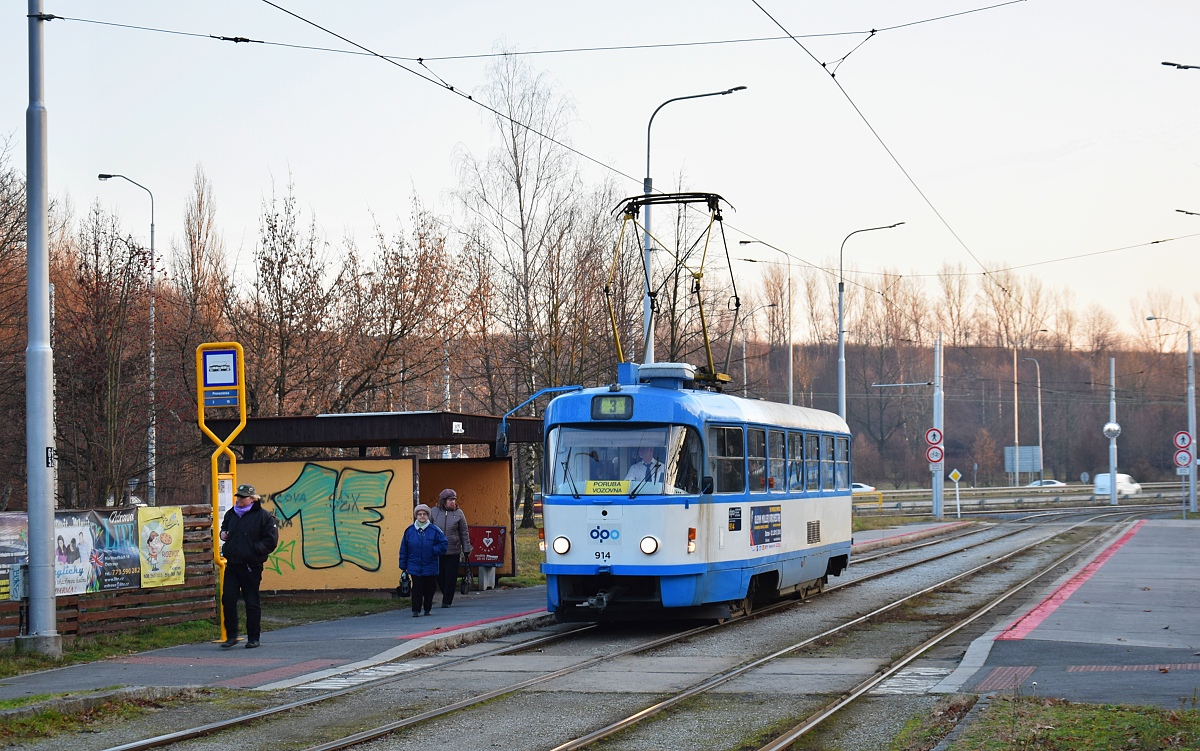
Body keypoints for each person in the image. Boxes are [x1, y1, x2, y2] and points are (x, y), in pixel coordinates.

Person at [219, 484, 279, 649]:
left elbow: (271, 540)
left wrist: (254, 551)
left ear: (252, 499)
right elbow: (224, 529)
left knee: (251, 602)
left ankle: (253, 637)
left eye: (243, 497)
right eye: (238, 496)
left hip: (251, 565)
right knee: (228, 599)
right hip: (232, 563)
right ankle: (231, 636)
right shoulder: (232, 514)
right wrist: (223, 534)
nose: (239, 499)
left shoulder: (263, 516)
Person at [397, 503, 447, 617]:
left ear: (428, 516)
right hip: (414, 566)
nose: (422, 516)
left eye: (424, 514)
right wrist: (403, 565)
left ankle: (427, 608)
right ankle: (416, 610)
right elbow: (404, 548)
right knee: (417, 589)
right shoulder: (409, 531)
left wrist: (433, 550)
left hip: (430, 565)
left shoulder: (435, 530)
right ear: (416, 516)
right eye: (420, 514)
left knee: (429, 589)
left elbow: (443, 545)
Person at [430, 488, 472, 608]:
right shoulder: (434, 512)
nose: (452, 502)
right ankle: (446, 593)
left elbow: (464, 532)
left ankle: (447, 600)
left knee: (451, 576)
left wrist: (466, 548)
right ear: (443, 501)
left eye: (454, 499)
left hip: (453, 550)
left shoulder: (459, 513)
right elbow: (429, 530)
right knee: (440, 576)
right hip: (438, 551)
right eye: (450, 500)